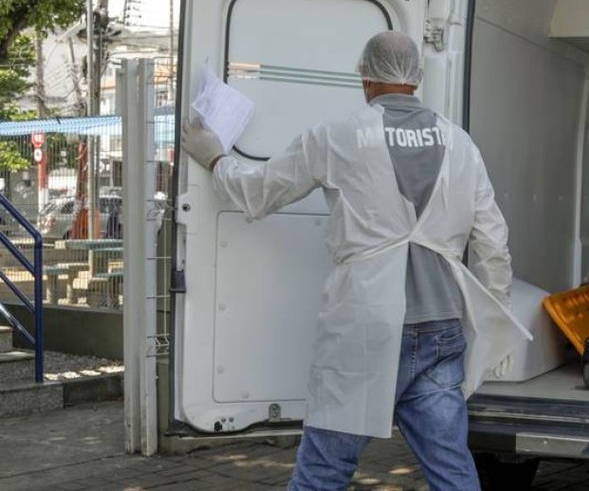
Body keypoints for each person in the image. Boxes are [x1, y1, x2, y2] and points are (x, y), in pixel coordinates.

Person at [181, 30, 527, 491]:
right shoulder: (461, 144)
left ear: (365, 77)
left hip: (365, 327)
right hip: (442, 327)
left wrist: (215, 159)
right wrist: (491, 322)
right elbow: (493, 244)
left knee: (324, 470)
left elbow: (259, 192)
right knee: (451, 471)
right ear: (417, 77)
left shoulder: (337, 136)